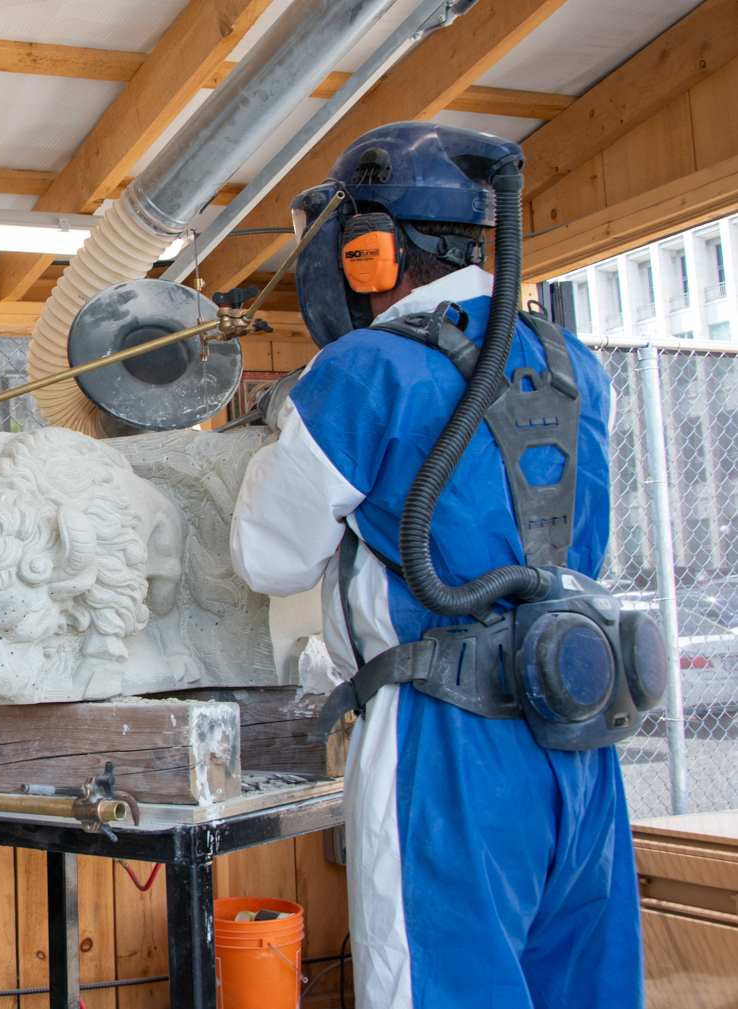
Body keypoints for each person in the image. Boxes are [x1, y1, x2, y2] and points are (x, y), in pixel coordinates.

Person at [228, 122, 644, 1007]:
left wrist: (286, 433)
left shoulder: (365, 369)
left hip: (449, 741)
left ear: (370, 252)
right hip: (579, 725)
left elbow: (267, 555)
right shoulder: (576, 364)